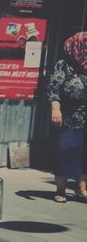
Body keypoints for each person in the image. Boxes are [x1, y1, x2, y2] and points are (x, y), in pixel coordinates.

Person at [47, 31, 87, 202]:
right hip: (69, 117)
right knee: (66, 152)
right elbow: (53, 89)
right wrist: (56, 109)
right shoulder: (63, 65)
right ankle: (61, 190)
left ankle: (82, 188)